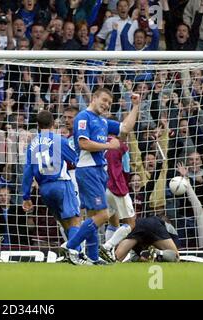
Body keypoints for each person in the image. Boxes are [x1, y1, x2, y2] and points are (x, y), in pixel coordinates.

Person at [61, 88, 140, 265]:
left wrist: (135, 106)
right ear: (94, 98)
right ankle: (71, 247)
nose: (106, 105)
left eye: (109, 103)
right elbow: (83, 143)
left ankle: (93, 257)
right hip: (88, 170)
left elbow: (125, 127)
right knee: (103, 215)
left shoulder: (102, 121)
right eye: (104, 100)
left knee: (93, 216)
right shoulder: (83, 117)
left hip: (98, 172)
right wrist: (109, 146)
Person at [22, 110, 81, 253]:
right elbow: (75, 159)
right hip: (61, 183)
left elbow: (28, 171)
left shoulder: (32, 144)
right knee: (75, 220)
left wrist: (26, 196)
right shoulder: (59, 140)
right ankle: (77, 254)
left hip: (44, 190)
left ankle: (73, 252)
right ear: (53, 123)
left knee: (65, 223)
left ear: (37, 125)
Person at [100, 133, 136, 263]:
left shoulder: (100, 145)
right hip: (118, 188)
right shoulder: (121, 147)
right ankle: (107, 247)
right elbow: (126, 170)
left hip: (104, 187)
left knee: (112, 220)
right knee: (130, 223)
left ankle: (108, 251)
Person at [114, 215, 180, 262]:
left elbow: (134, 258)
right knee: (176, 257)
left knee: (115, 260)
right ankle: (156, 253)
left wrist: (143, 258)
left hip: (137, 224)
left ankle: (155, 253)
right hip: (154, 224)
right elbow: (174, 255)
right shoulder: (171, 233)